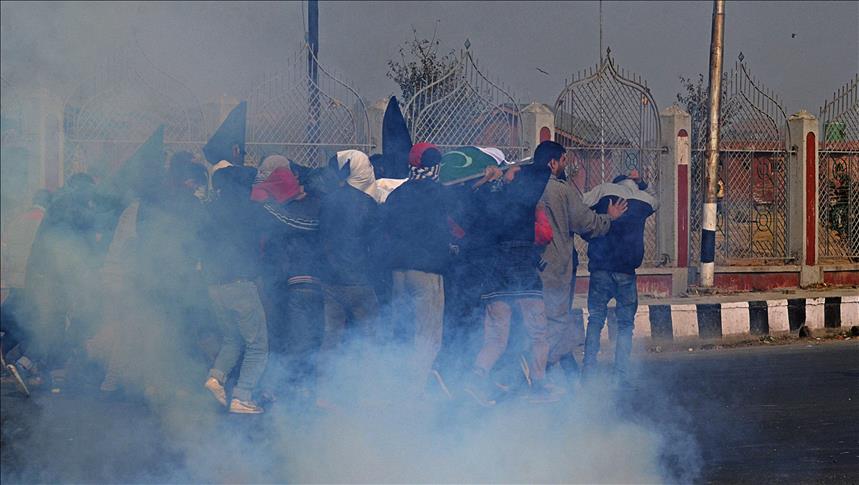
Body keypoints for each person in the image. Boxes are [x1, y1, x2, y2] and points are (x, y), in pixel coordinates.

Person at [460, 145, 557, 406]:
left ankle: (478, 380)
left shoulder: (487, 195)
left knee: (500, 337)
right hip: (519, 267)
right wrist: (504, 176)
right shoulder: (520, 194)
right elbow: (541, 168)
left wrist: (489, 180)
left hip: (497, 270)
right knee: (535, 333)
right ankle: (537, 383)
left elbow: (467, 204)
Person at [537, 142, 626, 386]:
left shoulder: (522, 185)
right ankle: (538, 373)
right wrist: (611, 218)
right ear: (553, 163)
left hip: (526, 268)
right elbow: (586, 223)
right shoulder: (560, 190)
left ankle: (565, 373)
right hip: (555, 267)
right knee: (555, 321)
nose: (567, 165)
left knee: (536, 323)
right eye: (564, 160)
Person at [382, 142, 453, 398]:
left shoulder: (397, 194)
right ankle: (415, 390)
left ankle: (395, 382)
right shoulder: (440, 194)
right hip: (427, 273)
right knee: (428, 335)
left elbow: (385, 230)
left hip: (398, 272)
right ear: (435, 167)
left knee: (402, 329)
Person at [201, 162, 271, 414]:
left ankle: (216, 377)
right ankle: (242, 396)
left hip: (214, 286)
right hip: (240, 284)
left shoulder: (209, 210)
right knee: (258, 345)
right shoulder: (250, 211)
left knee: (232, 339)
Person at [581, 170, 658, 387]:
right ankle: (620, 375)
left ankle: (588, 372)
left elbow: (580, 203)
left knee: (595, 319)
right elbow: (657, 200)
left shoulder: (604, 190)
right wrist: (642, 182)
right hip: (627, 272)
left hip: (601, 269)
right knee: (625, 325)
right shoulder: (644, 200)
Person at [317, 150, 382, 401]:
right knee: (369, 338)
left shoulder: (327, 200)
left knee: (331, 337)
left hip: (330, 279)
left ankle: (324, 393)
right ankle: (366, 392)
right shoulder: (367, 204)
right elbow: (375, 244)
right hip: (359, 279)